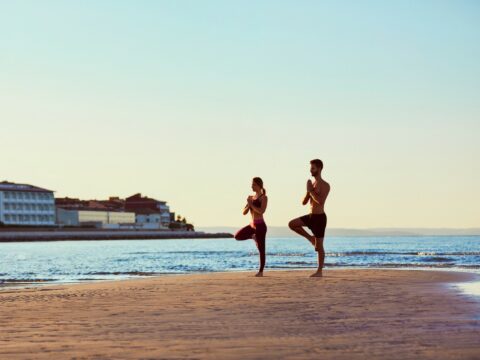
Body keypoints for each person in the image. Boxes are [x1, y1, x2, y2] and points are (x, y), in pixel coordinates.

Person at [288, 159, 330, 277]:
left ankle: (319, 271)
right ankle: (310, 238)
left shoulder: (325, 185)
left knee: (319, 247)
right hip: (311, 216)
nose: (310, 170)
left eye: (313, 168)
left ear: (319, 169)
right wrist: (308, 191)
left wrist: (310, 190)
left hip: (320, 218)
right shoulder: (312, 184)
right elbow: (304, 202)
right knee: (292, 224)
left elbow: (320, 201)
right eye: (310, 168)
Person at [234, 177, 268, 277]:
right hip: (252, 225)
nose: (251, 186)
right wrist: (249, 204)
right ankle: (253, 236)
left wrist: (251, 204)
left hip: (260, 226)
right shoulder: (251, 198)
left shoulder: (264, 197)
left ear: (258, 185)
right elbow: (244, 212)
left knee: (261, 249)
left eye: (253, 184)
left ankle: (261, 272)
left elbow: (261, 211)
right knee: (237, 236)